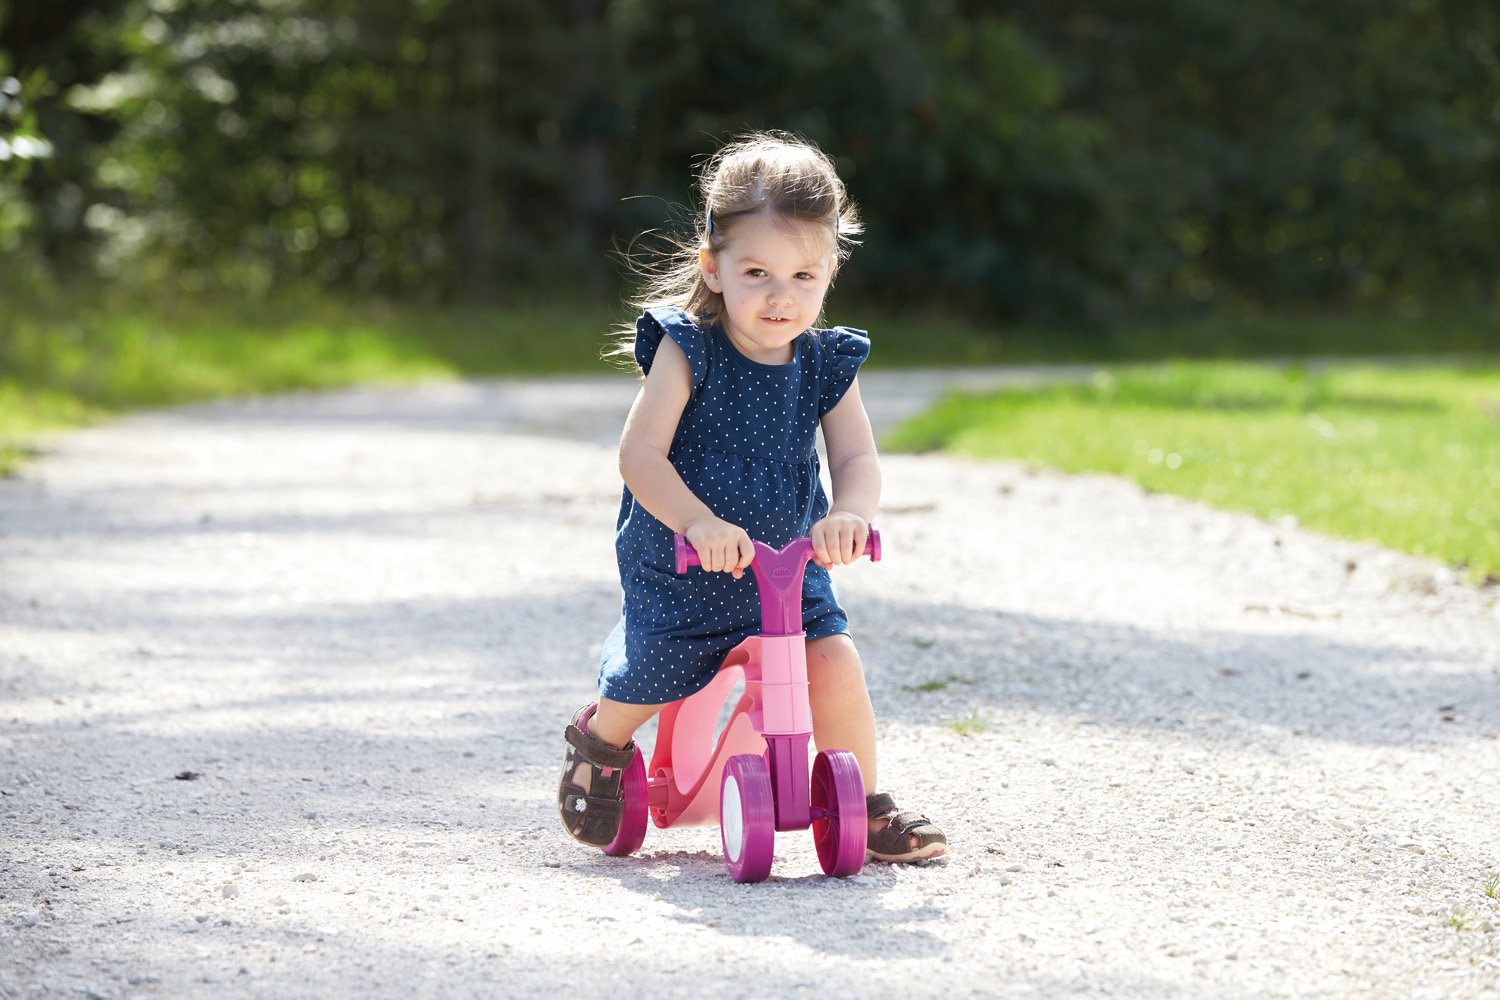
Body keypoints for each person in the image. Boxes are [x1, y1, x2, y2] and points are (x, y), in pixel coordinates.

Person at [557, 132, 946, 864]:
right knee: (656, 670)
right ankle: (601, 741)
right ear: (715, 267)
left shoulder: (828, 360)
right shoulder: (689, 346)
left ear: (830, 270)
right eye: (758, 271)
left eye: (804, 275)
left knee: (833, 663)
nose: (780, 296)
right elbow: (639, 454)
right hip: (685, 559)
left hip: (788, 564)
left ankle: (859, 798)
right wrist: (696, 521)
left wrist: (850, 514)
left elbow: (857, 455)